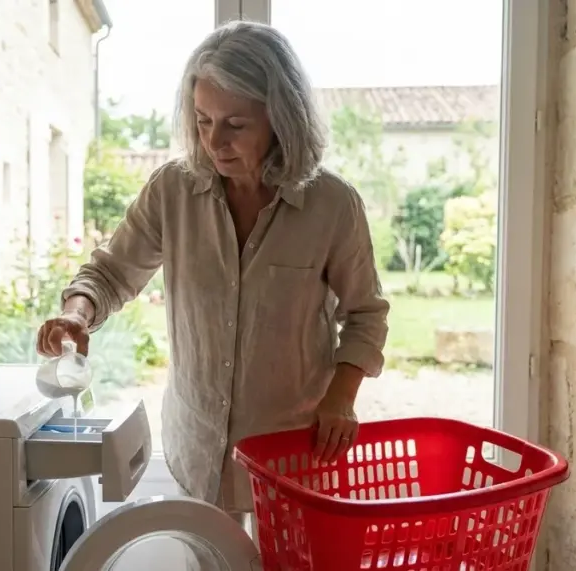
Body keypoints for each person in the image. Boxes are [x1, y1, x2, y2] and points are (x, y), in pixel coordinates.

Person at [37, 19, 389, 567]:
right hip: (197, 442)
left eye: (235, 124)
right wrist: (77, 314)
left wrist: (341, 398)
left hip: (290, 452)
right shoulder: (172, 191)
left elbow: (365, 315)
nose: (214, 141)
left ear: (281, 118)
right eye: (202, 120)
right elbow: (108, 274)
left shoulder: (332, 205)